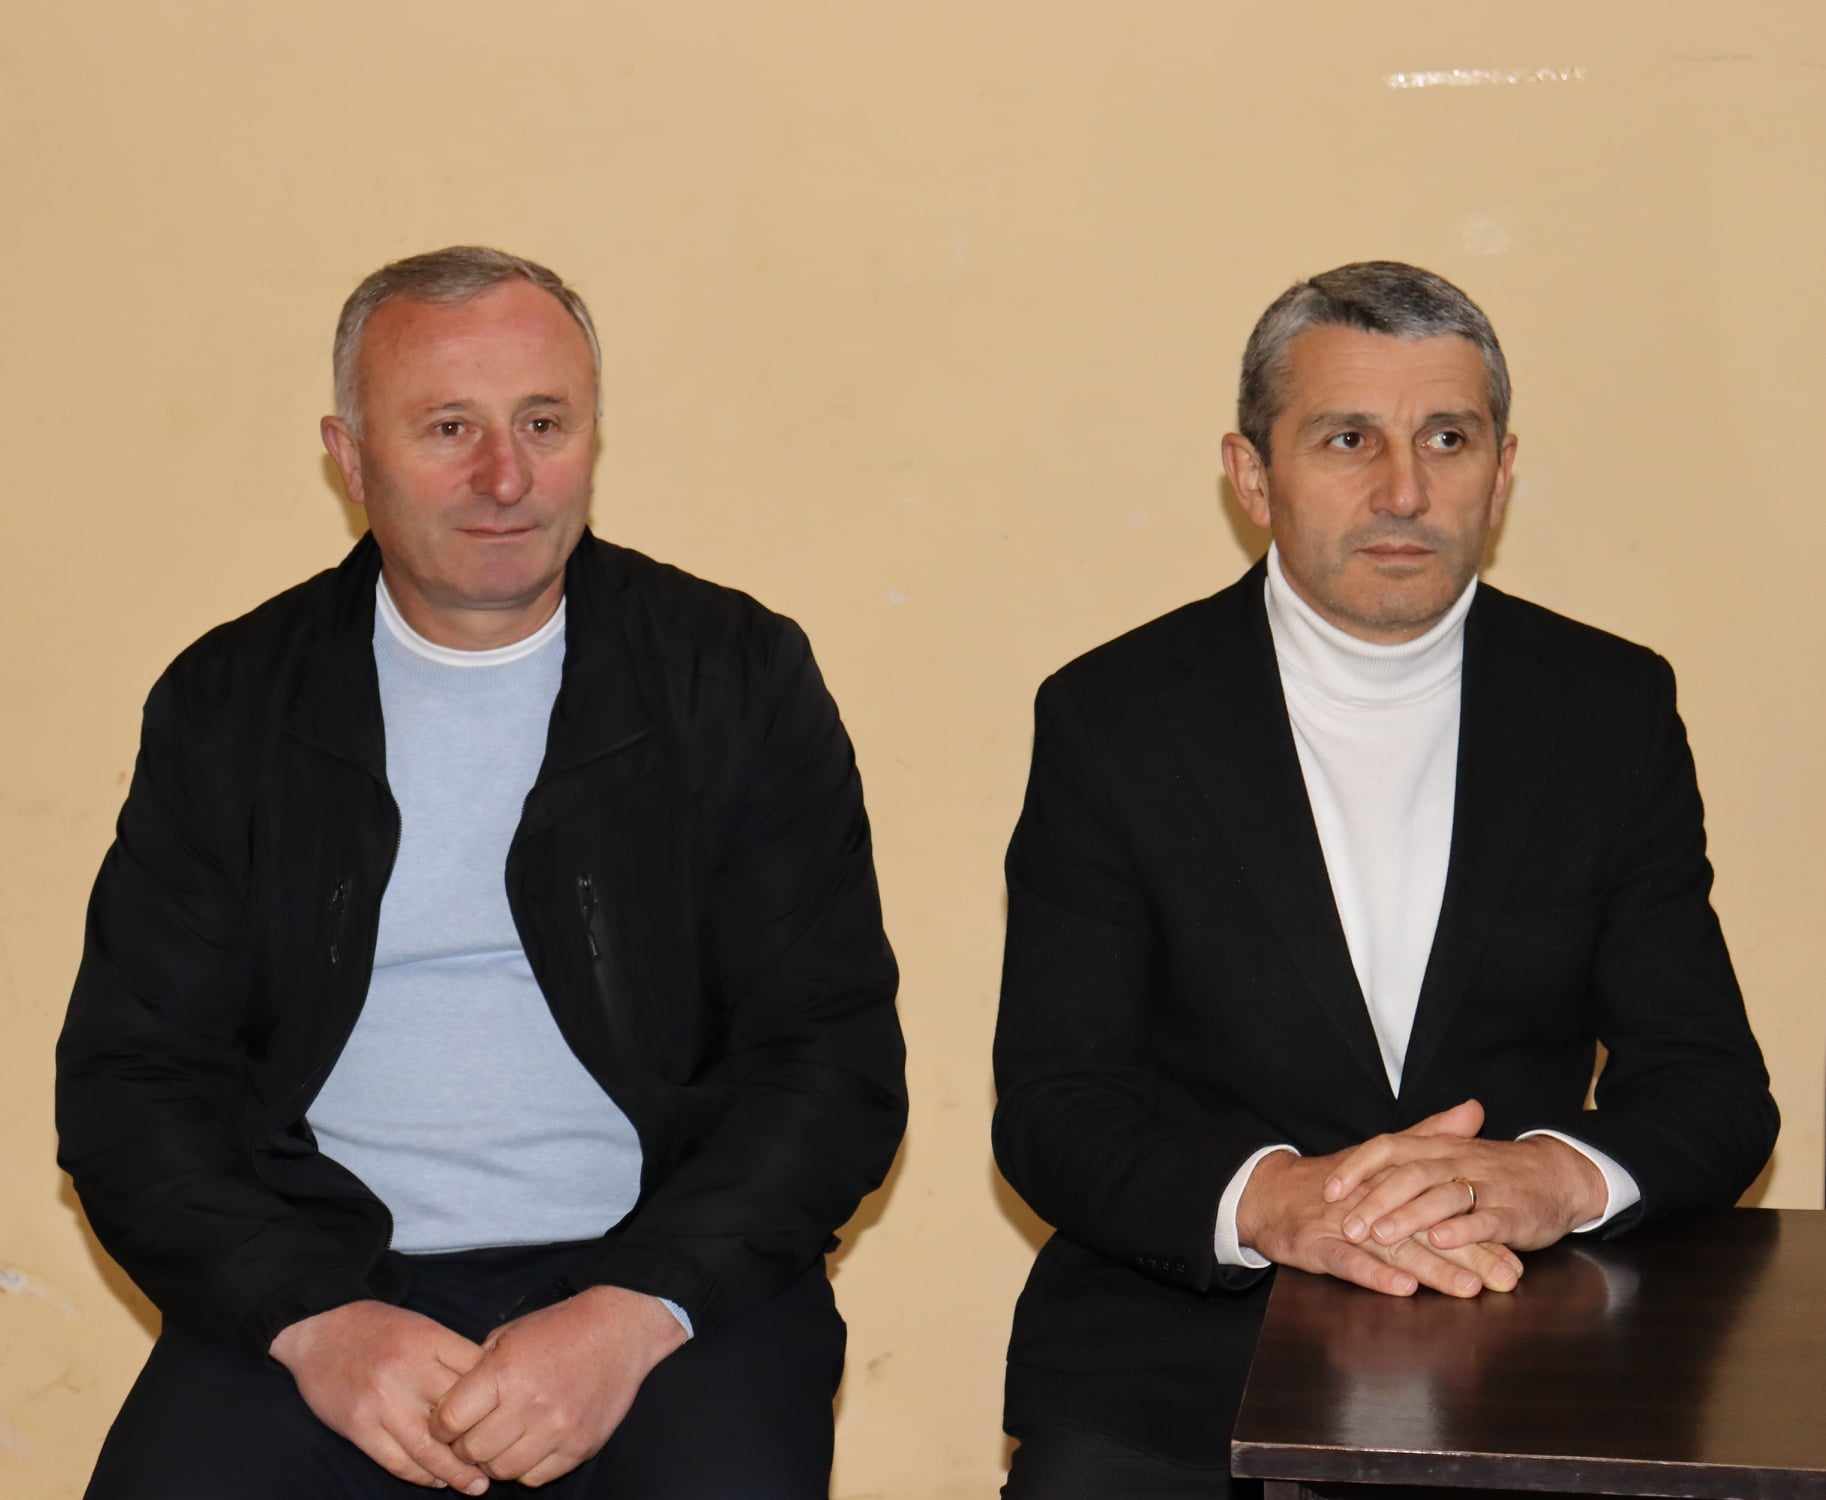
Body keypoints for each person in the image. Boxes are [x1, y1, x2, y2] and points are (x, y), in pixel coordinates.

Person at [57, 246, 906, 1499]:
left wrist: (634, 1310)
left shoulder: (730, 677)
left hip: (665, 1276)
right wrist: (312, 1321)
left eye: (543, 423)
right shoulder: (232, 701)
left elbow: (829, 1062)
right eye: (448, 427)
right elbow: (131, 1085)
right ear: (350, 458)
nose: (505, 477)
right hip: (319, 1278)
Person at [991, 260, 1777, 1497]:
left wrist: (1551, 1176)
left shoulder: (1606, 710)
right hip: (1178, 1356)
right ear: (1251, 475)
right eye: (1346, 438)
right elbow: (1055, 1105)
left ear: (1500, 473)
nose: (1402, 490)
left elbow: (1711, 1089)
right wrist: (1268, 1201)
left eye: (1446, 439)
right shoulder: (1114, 717)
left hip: (1518, 1334)